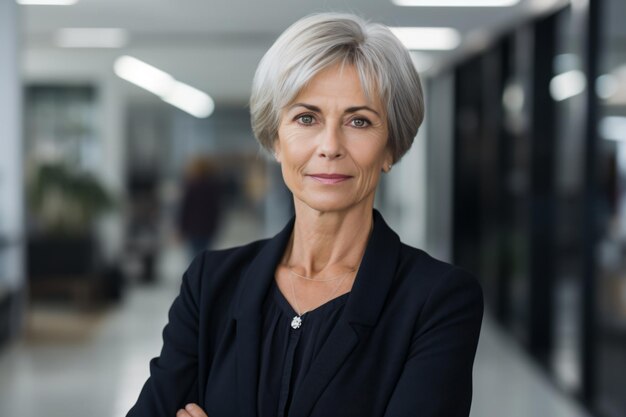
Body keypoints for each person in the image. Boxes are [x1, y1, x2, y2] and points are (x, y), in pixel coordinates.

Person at [127, 12, 483, 417]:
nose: (330, 146)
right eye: (306, 118)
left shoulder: (438, 301)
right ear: (275, 139)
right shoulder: (211, 284)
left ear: (391, 148)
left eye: (359, 121)